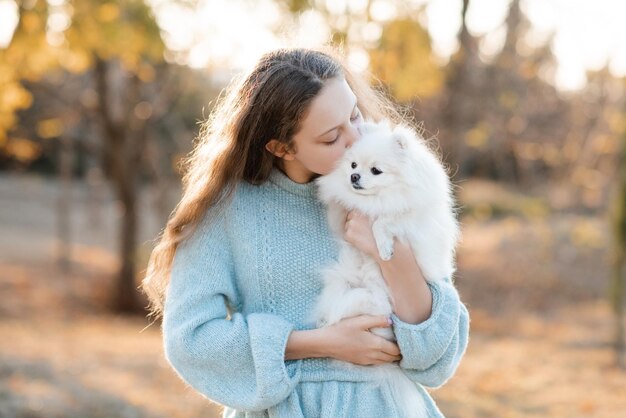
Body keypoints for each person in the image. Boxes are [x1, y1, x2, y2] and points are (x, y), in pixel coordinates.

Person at [142, 46, 470, 418]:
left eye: (354, 115)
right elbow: (192, 340)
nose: (355, 138)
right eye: (332, 137)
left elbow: (438, 352)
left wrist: (386, 249)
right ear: (282, 147)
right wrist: (321, 344)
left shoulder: (392, 189)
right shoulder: (229, 212)